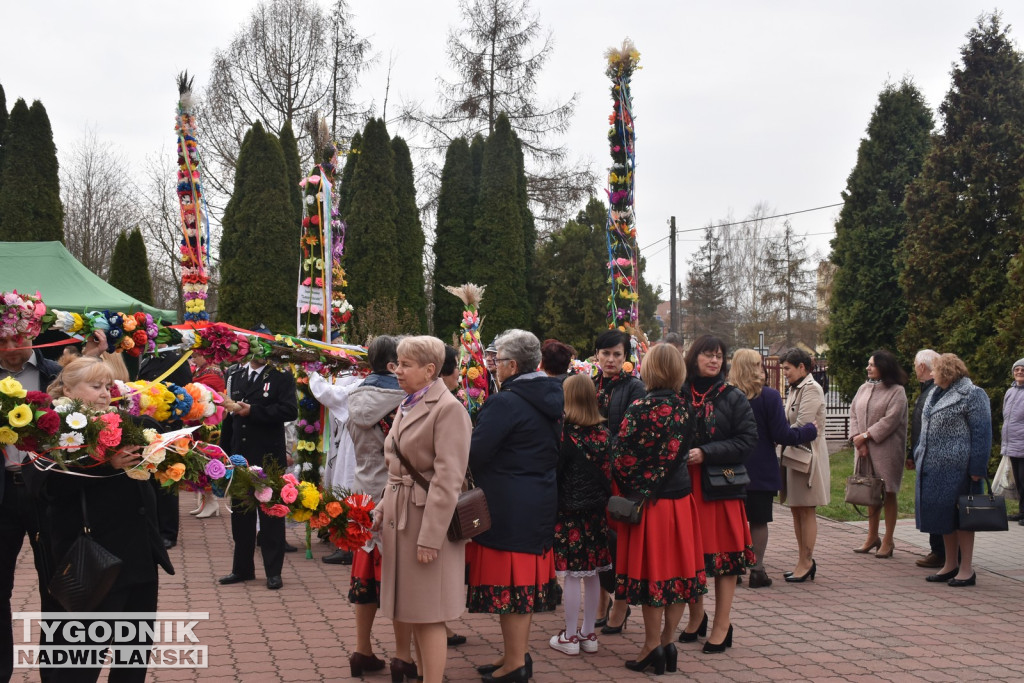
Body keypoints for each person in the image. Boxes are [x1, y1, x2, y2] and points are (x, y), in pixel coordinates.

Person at [44, 356, 174, 683]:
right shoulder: (55, 428)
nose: (105, 393)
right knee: (83, 660)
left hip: (140, 555)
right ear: (68, 390)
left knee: (133, 658)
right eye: (95, 386)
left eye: (107, 386)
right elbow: (47, 487)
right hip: (95, 559)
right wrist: (105, 463)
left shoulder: (122, 420)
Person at [468, 329, 563, 682]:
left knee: (513, 588)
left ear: (511, 365)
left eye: (497, 360)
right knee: (518, 587)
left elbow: (476, 452)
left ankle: (516, 664)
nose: (493, 366)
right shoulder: (549, 393)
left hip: (508, 501)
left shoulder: (506, 401)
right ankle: (514, 654)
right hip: (536, 496)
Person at [379, 336, 472, 683]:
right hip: (403, 520)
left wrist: (430, 538)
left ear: (429, 370)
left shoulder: (448, 409)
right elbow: (398, 469)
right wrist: (380, 507)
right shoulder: (409, 403)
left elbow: (449, 480)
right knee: (415, 610)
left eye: (405, 365)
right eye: (396, 364)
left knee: (430, 614)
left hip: (427, 524)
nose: (398, 371)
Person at [613, 344, 706, 675]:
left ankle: (651, 645)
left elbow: (620, 458)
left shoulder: (638, 408)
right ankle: (668, 642)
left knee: (653, 575)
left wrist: (636, 484)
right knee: (678, 576)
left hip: (650, 505)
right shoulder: (686, 410)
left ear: (650, 370)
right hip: (681, 502)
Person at [1, 293, 64, 683]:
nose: (10, 349)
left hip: (48, 495)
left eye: (17, 339)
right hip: (2, 495)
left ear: (33, 333)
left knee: (57, 589)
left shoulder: (56, 375)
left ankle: (59, 675)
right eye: (2, 341)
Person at [679, 335, 756, 652]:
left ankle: (723, 624)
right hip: (684, 486)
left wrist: (706, 452)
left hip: (720, 486)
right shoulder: (679, 392)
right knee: (689, 556)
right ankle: (697, 615)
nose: (714, 360)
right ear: (694, 357)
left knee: (724, 559)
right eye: (707, 355)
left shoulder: (733, 397)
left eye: (719, 356)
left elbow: (747, 441)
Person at [728, 349, 818, 588]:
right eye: (758, 365)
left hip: (730, 469)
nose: (763, 369)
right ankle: (757, 570)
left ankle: (734, 570)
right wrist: (810, 430)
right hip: (760, 469)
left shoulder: (726, 395)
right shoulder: (768, 396)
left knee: (734, 521)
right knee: (758, 521)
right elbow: (782, 434)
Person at [218, 357, 298, 590]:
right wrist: (224, 453)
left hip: (267, 456)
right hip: (240, 456)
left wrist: (254, 411)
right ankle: (242, 569)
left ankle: (273, 572)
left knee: (271, 514)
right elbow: (228, 417)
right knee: (241, 516)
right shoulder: (235, 375)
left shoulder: (280, 375)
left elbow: (289, 410)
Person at [548, 374, 613, 657]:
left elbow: (555, 474)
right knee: (594, 571)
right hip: (597, 511)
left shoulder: (563, 434)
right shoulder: (604, 434)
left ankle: (570, 635)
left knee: (572, 574)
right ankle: (589, 633)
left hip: (569, 511)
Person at [914, 353, 992, 587]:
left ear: (947, 372)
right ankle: (949, 565)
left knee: (963, 520)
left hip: (960, 469)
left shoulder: (973, 394)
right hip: (934, 468)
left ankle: (966, 570)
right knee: (944, 519)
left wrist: (977, 468)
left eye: (935, 370)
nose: (932, 374)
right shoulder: (935, 394)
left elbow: (982, 433)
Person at [592, 329, 645, 634]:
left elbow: (633, 436)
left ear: (626, 358)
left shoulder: (635, 388)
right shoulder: (588, 385)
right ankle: (600, 601)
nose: (610, 360)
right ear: (596, 355)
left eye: (617, 354)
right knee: (597, 542)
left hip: (621, 478)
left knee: (619, 543)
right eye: (606, 353)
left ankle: (621, 604)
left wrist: (601, 442)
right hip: (593, 476)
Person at [776, 348, 830, 582]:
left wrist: (781, 433)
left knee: (806, 510)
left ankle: (807, 561)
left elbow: (802, 425)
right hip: (794, 456)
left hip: (808, 458)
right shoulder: (796, 388)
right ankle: (802, 560)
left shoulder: (811, 389)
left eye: (787, 368)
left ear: (801, 367)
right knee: (796, 509)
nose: (784, 373)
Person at [850, 349, 909, 558]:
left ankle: (888, 540)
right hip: (864, 449)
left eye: (872, 364)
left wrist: (866, 436)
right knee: (870, 491)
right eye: (868, 364)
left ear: (884, 367)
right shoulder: (863, 388)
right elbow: (853, 413)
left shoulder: (897, 391)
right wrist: (858, 439)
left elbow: (891, 420)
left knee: (888, 491)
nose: (868, 368)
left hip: (887, 450)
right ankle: (872, 536)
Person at [136, 346, 194, 548]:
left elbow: (186, 394)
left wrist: (170, 412)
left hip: (168, 426)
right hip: (147, 425)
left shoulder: (175, 360)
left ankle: (168, 532)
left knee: (168, 478)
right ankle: (153, 528)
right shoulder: (148, 359)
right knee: (151, 479)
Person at [907, 350, 945, 566]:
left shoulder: (933, 391)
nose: (914, 368)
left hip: (931, 458)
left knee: (934, 504)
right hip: (923, 455)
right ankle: (938, 549)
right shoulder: (928, 390)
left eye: (915, 364)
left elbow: (926, 427)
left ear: (922, 367)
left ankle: (939, 551)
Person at [1002, 358, 1024, 524]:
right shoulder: (1010, 392)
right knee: (1018, 482)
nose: (1019, 372)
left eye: (1022, 370)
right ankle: (1021, 511)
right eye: (1016, 369)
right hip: (1012, 444)